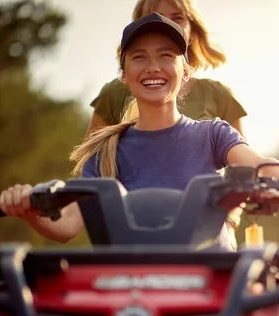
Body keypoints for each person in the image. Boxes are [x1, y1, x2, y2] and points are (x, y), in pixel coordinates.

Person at [0, 13, 279, 252]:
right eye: (139, 58)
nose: (152, 66)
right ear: (124, 74)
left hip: (213, 285)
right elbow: (66, 225)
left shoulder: (213, 134)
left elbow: (258, 162)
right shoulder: (105, 151)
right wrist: (28, 212)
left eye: (166, 56)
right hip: (129, 292)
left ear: (185, 71)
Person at [86, 0, 248, 246]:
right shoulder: (112, 108)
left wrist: (225, 219)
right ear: (124, 73)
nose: (153, 68)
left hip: (207, 242)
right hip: (137, 248)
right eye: (155, 16)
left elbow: (249, 172)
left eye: (177, 18)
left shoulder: (214, 123)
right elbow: (85, 190)